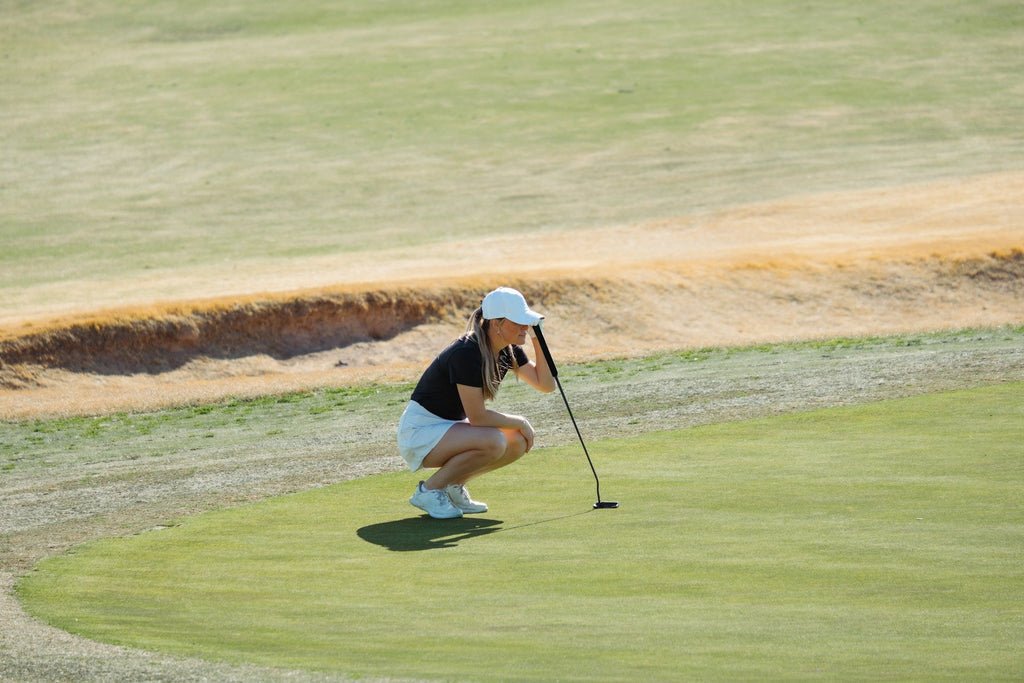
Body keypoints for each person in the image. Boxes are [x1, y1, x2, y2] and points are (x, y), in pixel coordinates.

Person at [397, 287, 556, 518]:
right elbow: (478, 417)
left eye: (526, 322)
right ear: (496, 324)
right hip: (420, 433)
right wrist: (520, 421)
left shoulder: (507, 350)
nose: (525, 326)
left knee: (517, 442)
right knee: (494, 439)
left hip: (449, 431)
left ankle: (453, 487)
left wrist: (537, 337)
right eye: (519, 322)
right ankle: (429, 491)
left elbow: (546, 384)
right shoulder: (466, 352)